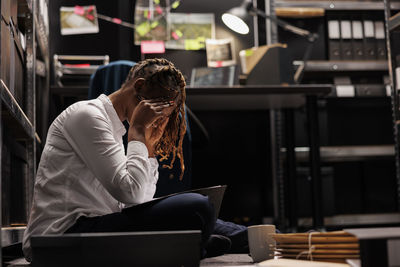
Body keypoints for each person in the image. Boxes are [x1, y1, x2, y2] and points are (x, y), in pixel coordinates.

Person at [22, 58, 247, 262]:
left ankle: (207, 243)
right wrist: (138, 130)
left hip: (99, 226)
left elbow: (137, 200)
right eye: (159, 108)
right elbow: (129, 193)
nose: (159, 118)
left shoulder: (117, 130)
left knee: (209, 215)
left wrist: (148, 148)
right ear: (139, 88)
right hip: (61, 235)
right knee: (197, 207)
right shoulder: (87, 115)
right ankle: (190, 246)